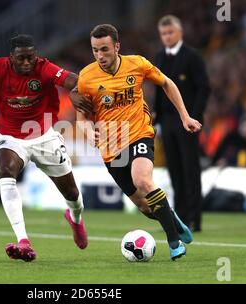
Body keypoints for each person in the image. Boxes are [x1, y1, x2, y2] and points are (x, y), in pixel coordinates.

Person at [0, 34, 88, 262]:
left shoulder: (44, 67)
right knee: (4, 169)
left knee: (72, 194)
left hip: (44, 137)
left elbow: (75, 80)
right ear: (11, 57)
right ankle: (23, 240)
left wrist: (74, 92)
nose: (26, 63)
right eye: (21, 58)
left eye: (30, 58)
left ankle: (76, 219)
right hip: (10, 137)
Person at [72, 24, 202, 260]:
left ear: (117, 46)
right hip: (111, 149)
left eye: (104, 49)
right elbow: (81, 117)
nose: (100, 56)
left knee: (142, 179)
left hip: (139, 133)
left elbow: (167, 83)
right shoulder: (86, 77)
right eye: (95, 51)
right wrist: (89, 132)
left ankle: (174, 243)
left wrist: (185, 115)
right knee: (143, 205)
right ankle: (172, 218)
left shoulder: (137, 64)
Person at [153, 15, 210, 232]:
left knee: (190, 169)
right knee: (174, 170)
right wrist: (156, 116)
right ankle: (180, 218)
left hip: (187, 122)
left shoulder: (192, 57)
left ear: (180, 33)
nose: (167, 37)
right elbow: (159, 89)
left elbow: (204, 88)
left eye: (170, 32)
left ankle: (195, 219)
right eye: (164, 34)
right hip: (167, 122)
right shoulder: (159, 57)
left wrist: (193, 116)